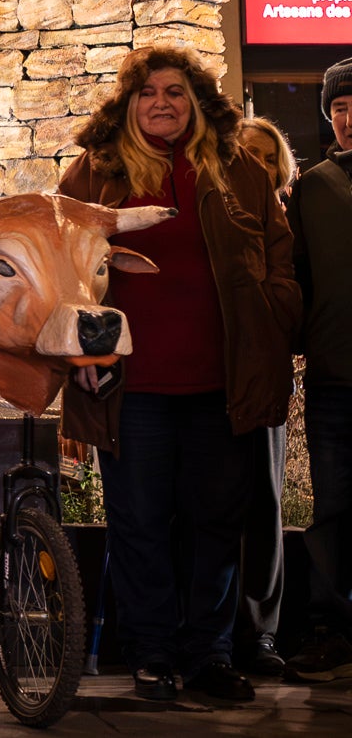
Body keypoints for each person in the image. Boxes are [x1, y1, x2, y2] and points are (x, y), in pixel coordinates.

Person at [59, 45, 299, 704]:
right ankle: (155, 654)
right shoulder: (96, 173)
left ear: (196, 102)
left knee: (216, 521)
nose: (161, 101)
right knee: (140, 522)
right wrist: (80, 351)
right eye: (147, 92)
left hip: (221, 385)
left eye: (175, 91)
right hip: (129, 386)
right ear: (128, 103)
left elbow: (280, 255)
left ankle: (210, 653)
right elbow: (60, 266)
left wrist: (275, 311)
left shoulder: (237, 169)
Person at [286, 57, 352, 683]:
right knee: (330, 510)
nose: (350, 119)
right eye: (340, 109)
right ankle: (330, 631)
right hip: (335, 376)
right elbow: (295, 277)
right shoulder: (312, 187)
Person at [232, 116, 298, 677]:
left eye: (266, 156)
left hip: (268, 374)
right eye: (244, 154)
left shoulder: (294, 216)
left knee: (265, 502)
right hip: (218, 376)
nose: (255, 164)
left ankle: (261, 633)